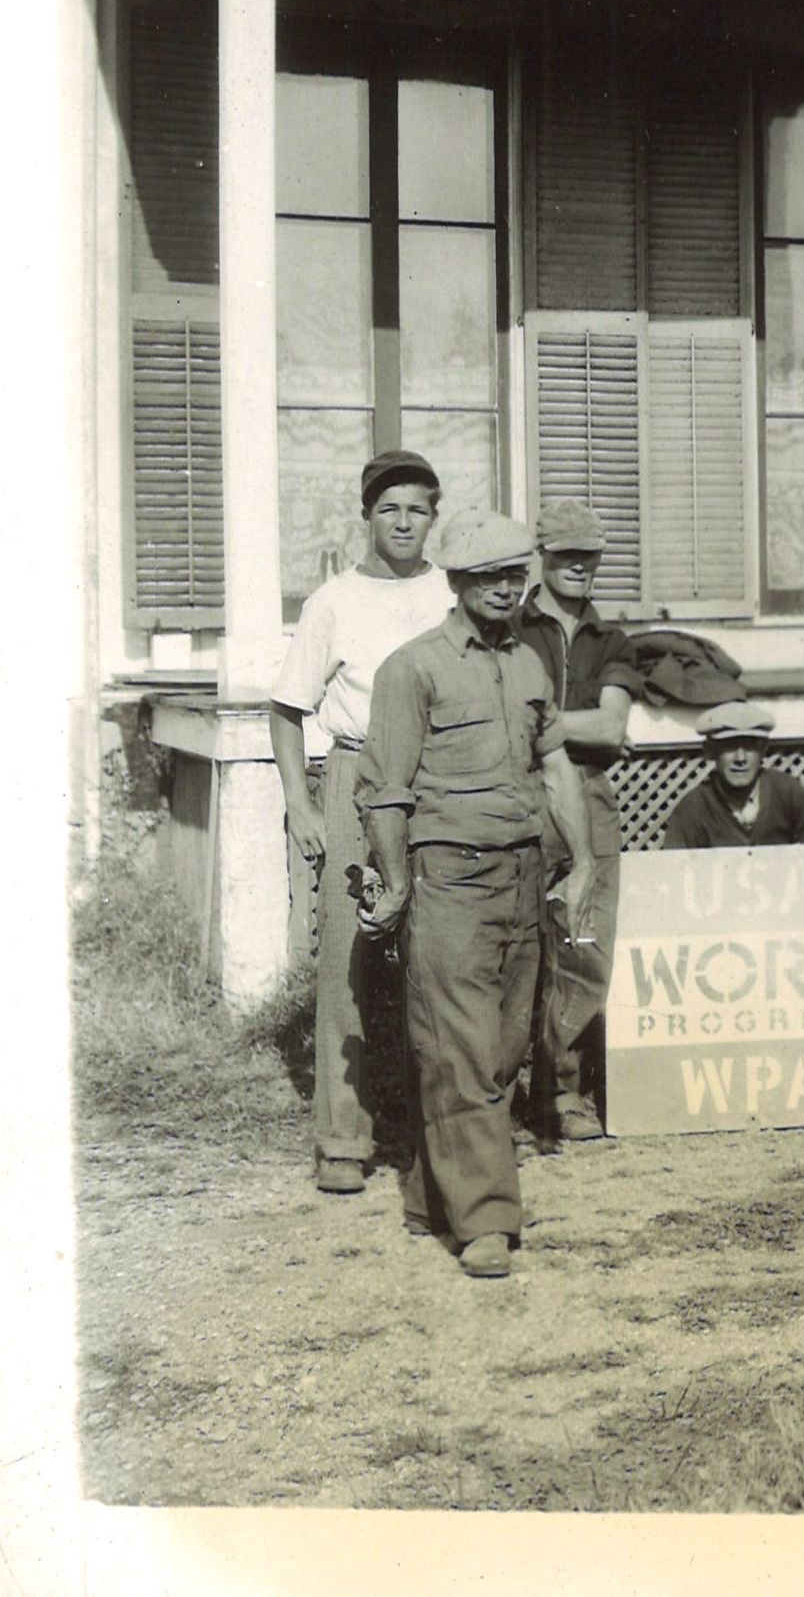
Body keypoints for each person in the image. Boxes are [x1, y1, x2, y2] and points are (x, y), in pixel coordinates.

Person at [352, 510, 596, 1279]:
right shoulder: (411, 669)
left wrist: (582, 860)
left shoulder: (527, 662)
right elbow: (385, 792)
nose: (503, 588)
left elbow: (556, 767)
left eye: (513, 574)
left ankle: (433, 1197)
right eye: (486, 576)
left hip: (523, 875)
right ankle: (488, 1221)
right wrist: (395, 886)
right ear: (455, 582)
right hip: (449, 876)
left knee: (501, 1049)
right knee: (458, 1049)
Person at [267, 450, 454, 1196]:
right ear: (367, 516)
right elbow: (285, 709)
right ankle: (342, 1138)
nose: (403, 521)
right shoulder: (334, 601)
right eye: (389, 509)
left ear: (433, 517)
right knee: (350, 959)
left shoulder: (451, 593)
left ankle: (432, 1135)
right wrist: (300, 803)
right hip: (354, 776)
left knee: (436, 959)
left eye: (417, 508)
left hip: (434, 779)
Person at [511, 504, 641, 1146]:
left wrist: (540, 721)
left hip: (588, 795)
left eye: (590, 556)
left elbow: (612, 728)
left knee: (583, 948)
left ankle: (564, 1092)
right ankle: (504, 1096)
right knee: (516, 948)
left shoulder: (610, 640)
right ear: (544, 556)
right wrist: (570, 722)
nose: (580, 567)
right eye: (567, 555)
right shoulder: (510, 624)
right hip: (517, 795)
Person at [662, 701, 804, 848]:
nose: (740, 758)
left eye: (750, 746)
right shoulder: (694, 808)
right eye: (729, 746)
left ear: (763, 750)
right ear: (710, 751)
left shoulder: (785, 791)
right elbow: (672, 877)